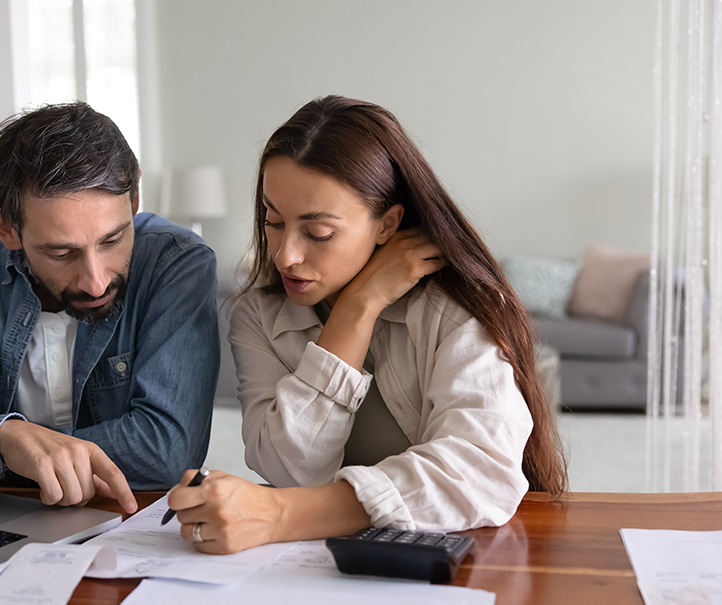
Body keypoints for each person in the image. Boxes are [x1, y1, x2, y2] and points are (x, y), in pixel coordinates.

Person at [167, 95, 567, 553]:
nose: (285, 256)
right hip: (319, 566)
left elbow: (480, 470)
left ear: (387, 224)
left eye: (318, 233)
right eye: (272, 221)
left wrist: (280, 515)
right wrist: (357, 308)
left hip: (456, 562)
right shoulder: (257, 315)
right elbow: (288, 468)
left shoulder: (457, 307)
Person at [0, 102, 220, 514]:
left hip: (124, 523)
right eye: (61, 252)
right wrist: (5, 440)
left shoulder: (175, 263)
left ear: (134, 197)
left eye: (112, 240)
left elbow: (166, 451)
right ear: (5, 228)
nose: (96, 280)